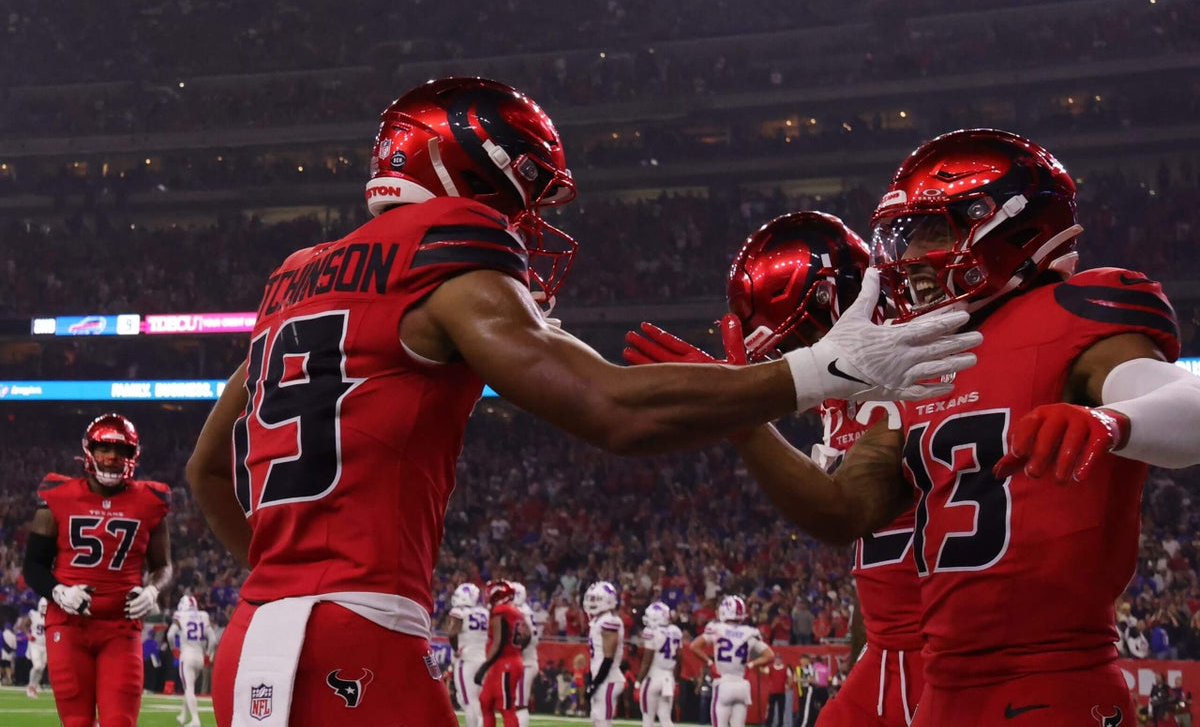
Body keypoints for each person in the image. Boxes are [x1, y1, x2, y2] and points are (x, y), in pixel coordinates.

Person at [184, 77, 979, 727]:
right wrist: (818, 371)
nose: (525, 218)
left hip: (256, 631)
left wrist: (288, 581)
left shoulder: (296, 280)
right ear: (467, 171)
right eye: (524, 191)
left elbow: (206, 469)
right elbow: (616, 411)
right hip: (357, 637)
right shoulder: (443, 255)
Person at [675, 129, 1197, 725]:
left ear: (1008, 224)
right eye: (906, 237)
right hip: (947, 686)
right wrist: (743, 419)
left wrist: (1112, 421)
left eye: (931, 233)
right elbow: (842, 511)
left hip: (1053, 676)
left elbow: (1189, 400)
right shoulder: (928, 354)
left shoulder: (1074, 314)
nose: (910, 257)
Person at [625, 212, 924, 727]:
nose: (791, 358)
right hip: (890, 650)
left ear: (833, 300)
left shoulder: (917, 364)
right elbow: (874, 556)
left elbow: (844, 515)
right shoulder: (845, 400)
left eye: (798, 339)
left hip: (953, 649)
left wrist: (740, 417)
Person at [21, 413, 173, 727]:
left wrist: (153, 590)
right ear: (89, 450)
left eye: (121, 450)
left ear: (133, 455)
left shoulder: (150, 501)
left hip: (121, 626)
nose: (112, 457)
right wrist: (58, 592)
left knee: (120, 721)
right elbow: (33, 565)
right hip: (68, 624)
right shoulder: (58, 495)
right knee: (77, 722)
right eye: (105, 448)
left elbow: (164, 566)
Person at [689, 595, 775, 727]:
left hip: (723, 683)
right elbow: (770, 655)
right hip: (742, 686)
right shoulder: (749, 632)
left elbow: (694, 646)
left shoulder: (717, 628)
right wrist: (751, 664)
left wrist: (710, 663)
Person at [476, 580, 529, 727]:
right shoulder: (516, 611)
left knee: (506, 706)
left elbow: (498, 642)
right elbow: (528, 635)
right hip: (504, 661)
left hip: (505, 663)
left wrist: (484, 667)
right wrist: (516, 649)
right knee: (485, 700)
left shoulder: (501, 610)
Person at [167, 595, 214, 727]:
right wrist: (208, 655)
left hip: (187, 655)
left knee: (189, 689)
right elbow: (213, 640)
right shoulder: (204, 615)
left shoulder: (180, 616)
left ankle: (195, 720)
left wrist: (173, 649)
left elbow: (170, 635)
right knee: (189, 687)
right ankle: (183, 715)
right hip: (200, 656)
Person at [584, 581, 625, 727]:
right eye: (591, 599)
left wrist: (595, 683)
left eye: (596, 599)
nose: (592, 602)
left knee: (603, 722)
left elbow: (608, 657)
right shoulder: (598, 620)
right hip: (603, 678)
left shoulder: (609, 621)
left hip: (609, 678)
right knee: (597, 719)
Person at [448, 582, 489, 727]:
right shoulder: (485, 612)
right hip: (483, 659)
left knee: (468, 701)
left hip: (466, 659)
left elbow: (452, 633)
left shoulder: (460, 611)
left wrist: (455, 650)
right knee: (476, 699)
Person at [636, 601, 682, 727]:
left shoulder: (651, 631)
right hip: (668, 678)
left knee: (648, 718)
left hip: (653, 677)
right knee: (666, 719)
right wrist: (676, 681)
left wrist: (638, 682)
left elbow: (647, 661)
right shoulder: (676, 631)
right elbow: (679, 659)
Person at [510, 581, 542, 726]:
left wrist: (515, 649)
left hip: (526, 663)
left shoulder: (520, 611)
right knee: (516, 702)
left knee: (520, 703)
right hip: (524, 661)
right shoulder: (525, 610)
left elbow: (526, 636)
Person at [26, 597, 48, 698]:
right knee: (37, 666)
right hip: (35, 644)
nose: (44, 608)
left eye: (45, 606)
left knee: (41, 668)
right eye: (42, 606)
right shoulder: (34, 615)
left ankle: (34, 687)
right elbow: (24, 625)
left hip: (45, 645)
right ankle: (30, 686)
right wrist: (28, 635)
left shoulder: (49, 617)